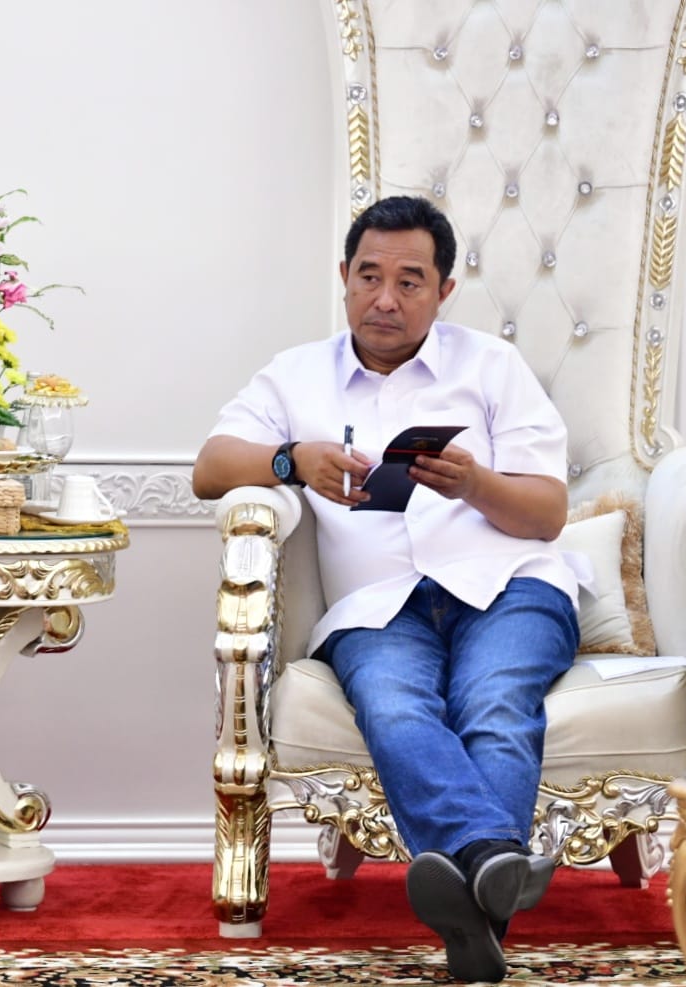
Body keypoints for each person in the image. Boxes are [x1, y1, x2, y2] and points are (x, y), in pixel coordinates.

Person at [192, 195, 579, 982]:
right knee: (396, 707)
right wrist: (289, 460)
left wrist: (473, 484)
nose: (385, 299)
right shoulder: (296, 374)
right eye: (368, 276)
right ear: (343, 276)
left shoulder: (491, 367)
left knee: (495, 703)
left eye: (409, 282)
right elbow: (208, 468)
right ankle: (491, 866)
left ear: (443, 290)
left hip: (508, 583)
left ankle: (473, 885)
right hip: (376, 607)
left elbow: (545, 514)